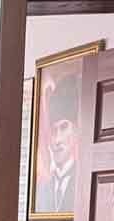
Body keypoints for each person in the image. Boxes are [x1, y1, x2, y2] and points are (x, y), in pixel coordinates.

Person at [37, 73, 79, 212]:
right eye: (54, 130)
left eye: (64, 127)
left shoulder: (83, 183)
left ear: (76, 131)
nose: (57, 140)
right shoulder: (41, 189)